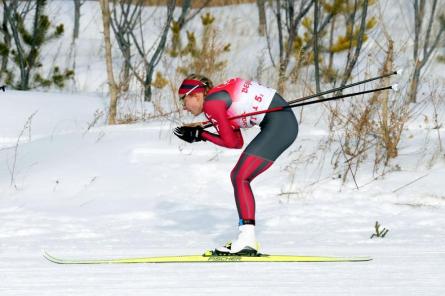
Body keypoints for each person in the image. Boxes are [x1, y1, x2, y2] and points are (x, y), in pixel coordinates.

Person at [174, 74, 298, 255]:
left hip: (279, 125)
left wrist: (201, 135)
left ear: (196, 95)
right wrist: (202, 132)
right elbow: (237, 141)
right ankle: (246, 239)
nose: (184, 107)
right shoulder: (217, 98)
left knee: (240, 177)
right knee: (239, 176)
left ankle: (247, 240)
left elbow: (232, 143)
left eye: (183, 100)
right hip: (281, 122)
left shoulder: (212, 104)